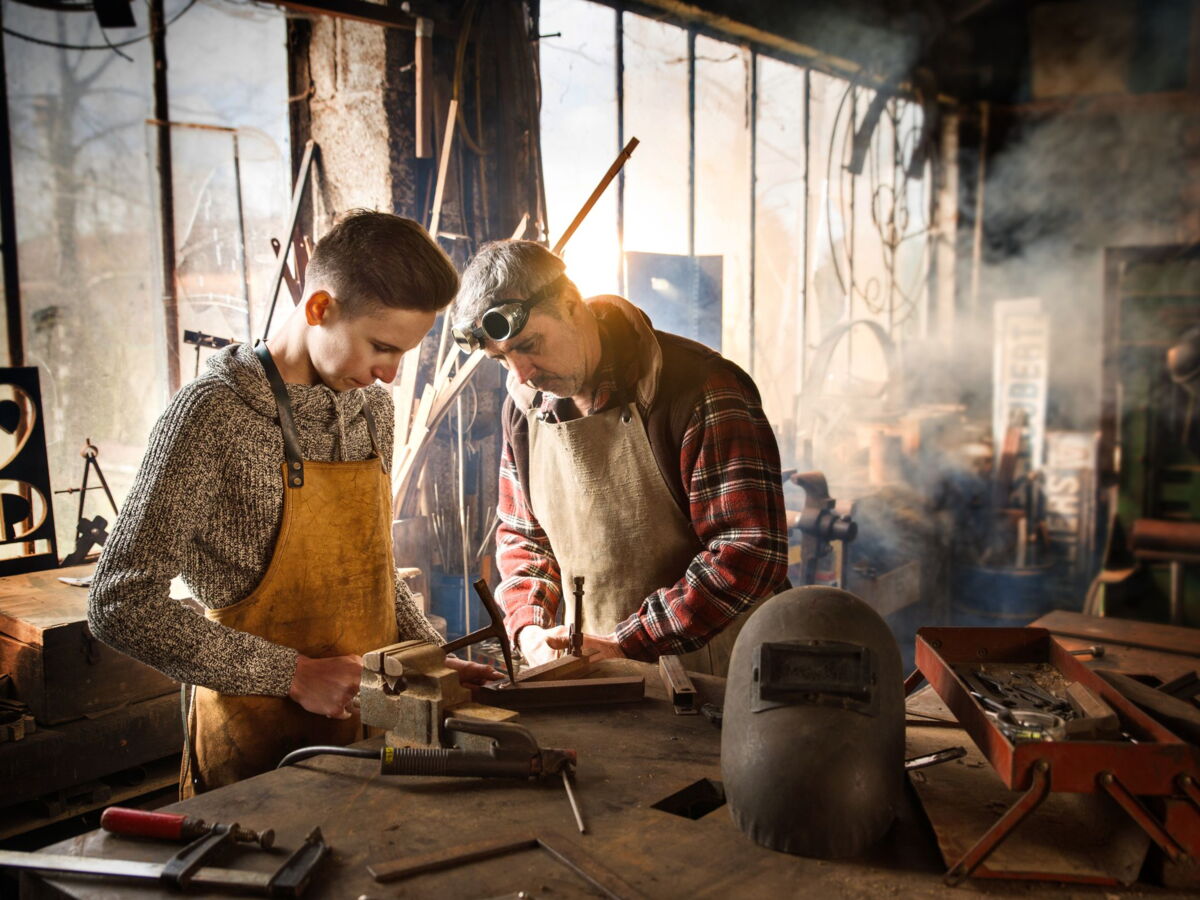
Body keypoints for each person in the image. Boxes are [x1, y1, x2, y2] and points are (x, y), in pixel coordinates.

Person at [89, 210, 497, 798]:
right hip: (254, 751)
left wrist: (424, 663)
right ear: (319, 309)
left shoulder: (370, 411)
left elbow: (375, 571)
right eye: (382, 347)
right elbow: (117, 601)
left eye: (404, 354)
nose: (389, 375)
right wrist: (293, 675)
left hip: (371, 734)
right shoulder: (210, 416)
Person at [450, 240, 789, 676]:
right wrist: (528, 630)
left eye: (530, 344)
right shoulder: (523, 409)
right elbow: (523, 538)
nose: (521, 373)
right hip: (598, 675)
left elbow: (748, 550)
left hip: (724, 678)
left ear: (572, 305)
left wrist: (627, 642)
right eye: (502, 359)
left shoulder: (700, 389)